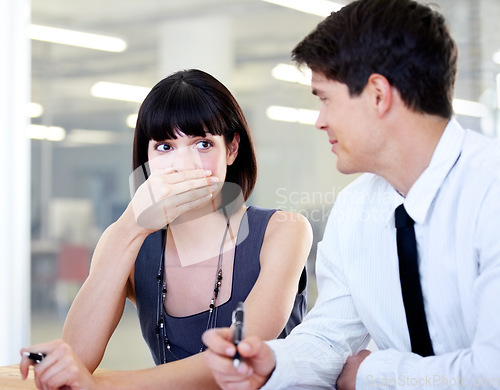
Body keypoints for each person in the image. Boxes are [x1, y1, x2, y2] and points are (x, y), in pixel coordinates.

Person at [202, 0, 500, 388]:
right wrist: (271, 362)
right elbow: (329, 337)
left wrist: (371, 374)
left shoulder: (490, 192)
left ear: (378, 94)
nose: (319, 120)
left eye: (325, 98)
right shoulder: (356, 207)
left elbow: (493, 370)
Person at [20, 69, 312, 389]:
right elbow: (77, 356)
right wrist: (130, 226)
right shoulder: (127, 240)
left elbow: (240, 357)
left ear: (231, 149)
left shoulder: (283, 231)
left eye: (202, 144)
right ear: (146, 157)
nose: (183, 164)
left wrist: (108, 386)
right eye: (164, 146)